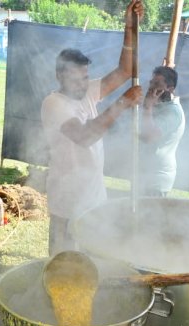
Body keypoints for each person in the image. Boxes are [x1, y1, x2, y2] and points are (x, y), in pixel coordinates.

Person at [41, 0, 144, 255]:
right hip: (68, 203)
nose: (82, 84)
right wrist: (122, 104)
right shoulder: (54, 104)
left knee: (93, 262)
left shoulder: (87, 91)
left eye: (85, 77)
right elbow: (85, 136)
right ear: (60, 76)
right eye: (76, 79)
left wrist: (129, 28)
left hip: (94, 199)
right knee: (63, 267)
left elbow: (125, 70)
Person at [139, 65, 185, 197]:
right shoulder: (160, 106)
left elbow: (148, 137)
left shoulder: (173, 112)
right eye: (151, 83)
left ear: (170, 89)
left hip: (156, 180)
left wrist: (147, 107)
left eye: (157, 84)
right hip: (145, 175)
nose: (151, 87)